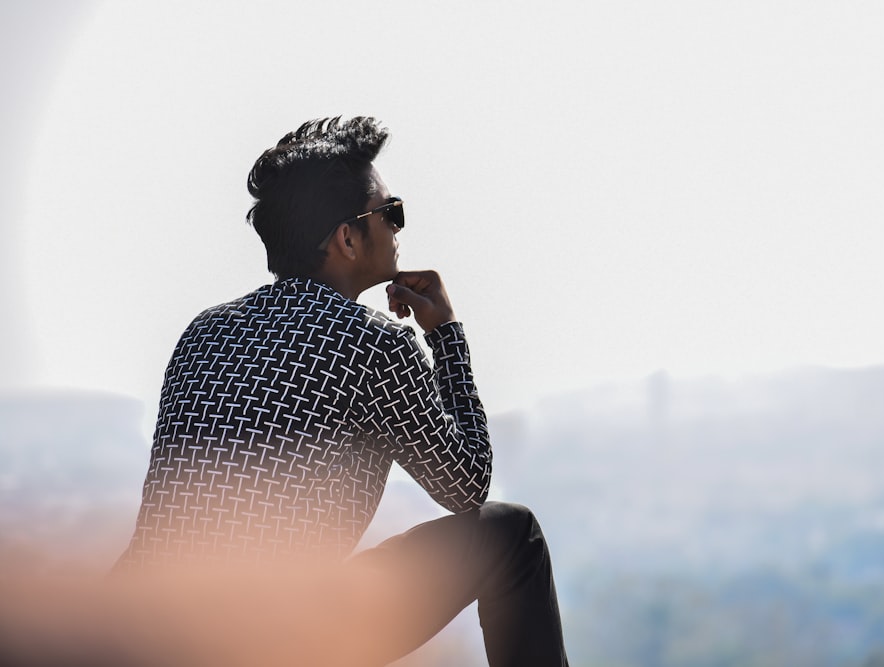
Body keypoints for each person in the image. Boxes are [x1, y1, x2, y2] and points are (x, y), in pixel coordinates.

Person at [112, 116, 570, 666]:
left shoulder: (203, 330)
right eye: (390, 213)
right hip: (274, 638)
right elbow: (466, 486)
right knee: (509, 535)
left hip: (140, 625)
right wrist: (446, 336)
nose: (398, 228)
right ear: (347, 238)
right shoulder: (375, 346)